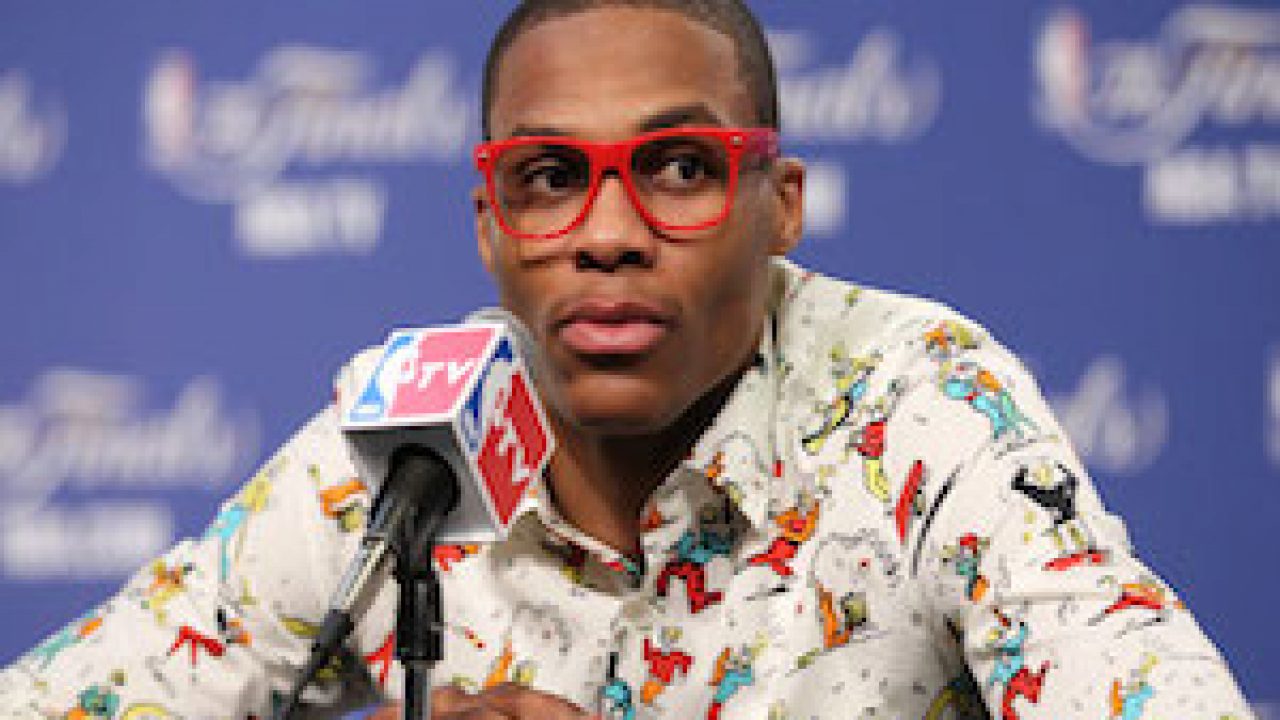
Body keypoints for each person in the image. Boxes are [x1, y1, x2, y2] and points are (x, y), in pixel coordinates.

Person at [0, 1, 1255, 718]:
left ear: (780, 207)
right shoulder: (398, 444)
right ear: (489, 227)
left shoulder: (915, 405)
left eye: (678, 167)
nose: (605, 233)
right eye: (549, 177)